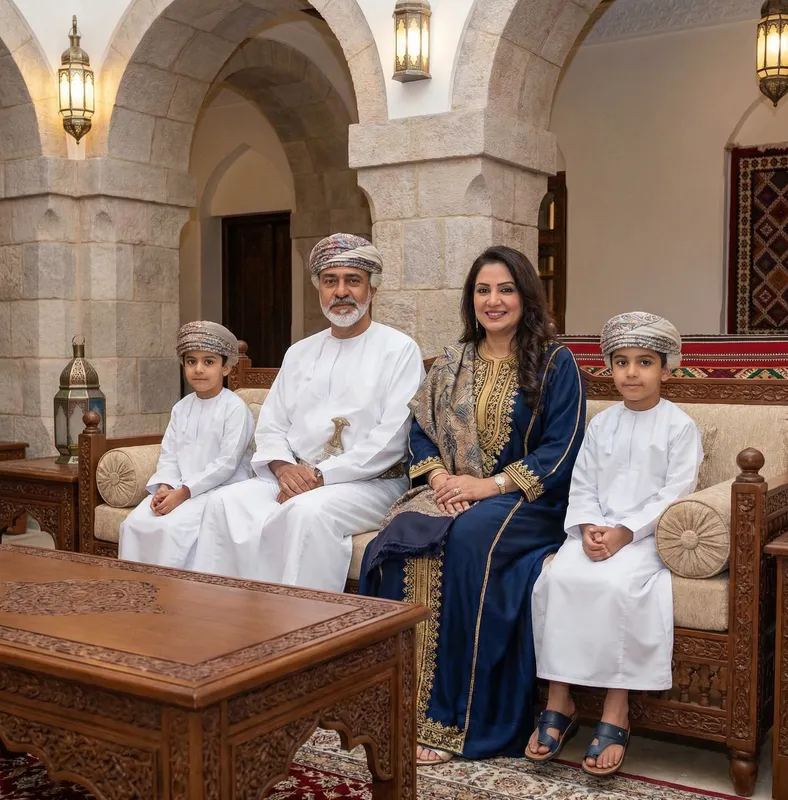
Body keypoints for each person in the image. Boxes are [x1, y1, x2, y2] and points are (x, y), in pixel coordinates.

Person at [359, 245, 586, 766]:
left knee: (466, 538)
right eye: (483, 290)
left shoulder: (555, 361)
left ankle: (457, 721)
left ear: (526, 296)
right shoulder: (454, 360)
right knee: (394, 542)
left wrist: (488, 486)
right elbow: (420, 431)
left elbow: (562, 448)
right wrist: (440, 478)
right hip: (454, 492)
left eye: (505, 288)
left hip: (531, 501)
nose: (494, 300)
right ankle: (398, 708)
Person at [192, 233, 425, 592]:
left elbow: (391, 440)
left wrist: (318, 476)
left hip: (373, 484)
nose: (341, 291)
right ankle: (226, 622)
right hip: (293, 476)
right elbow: (271, 424)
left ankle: (302, 632)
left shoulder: (399, 350)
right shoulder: (299, 352)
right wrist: (284, 468)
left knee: (306, 513)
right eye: (331, 281)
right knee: (224, 503)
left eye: (353, 281)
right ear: (319, 288)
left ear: (372, 290)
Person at [529, 312, 704, 777]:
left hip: (646, 538)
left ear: (667, 370)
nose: (631, 372)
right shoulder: (601, 423)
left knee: (619, 588)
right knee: (557, 577)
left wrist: (627, 531)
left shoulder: (679, 427)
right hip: (594, 532)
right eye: (621, 362)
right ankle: (560, 700)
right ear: (609, 367)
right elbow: (581, 482)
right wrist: (588, 525)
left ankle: (615, 707)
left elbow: (675, 493)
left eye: (644, 362)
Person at [119, 321, 254, 569]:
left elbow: (226, 463)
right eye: (191, 362)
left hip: (218, 491)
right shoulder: (181, 408)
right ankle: (135, 593)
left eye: (209, 362)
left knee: (172, 529)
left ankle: (172, 599)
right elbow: (169, 455)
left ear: (226, 368)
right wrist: (165, 486)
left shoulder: (235, 408)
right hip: (179, 488)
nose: (199, 369)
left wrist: (183, 493)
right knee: (134, 524)